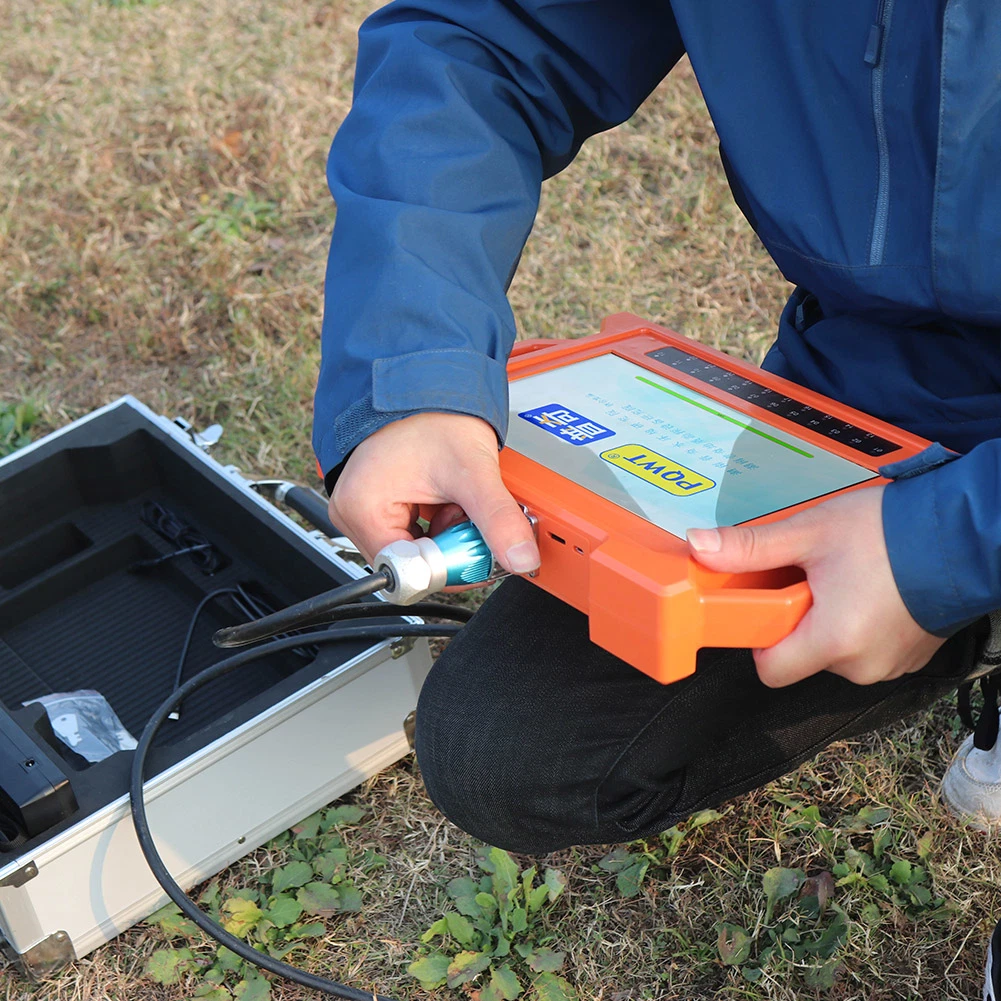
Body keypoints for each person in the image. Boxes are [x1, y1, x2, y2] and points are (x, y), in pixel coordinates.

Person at [311, 2, 1001, 994]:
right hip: (873, 401)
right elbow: (486, 35)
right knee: (508, 740)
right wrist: (408, 371)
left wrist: (944, 544)